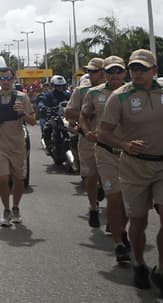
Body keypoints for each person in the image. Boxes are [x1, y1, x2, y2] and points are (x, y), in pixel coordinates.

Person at [97, 49, 163, 302]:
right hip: (134, 167)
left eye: (143, 68)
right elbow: (103, 133)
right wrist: (124, 145)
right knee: (138, 222)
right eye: (134, 68)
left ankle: (161, 270)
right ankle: (139, 263)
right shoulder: (119, 97)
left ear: (155, 70)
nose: (137, 73)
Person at [80, 55, 131, 262]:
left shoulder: (133, 93)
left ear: (124, 73)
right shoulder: (93, 93)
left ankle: (122, 228)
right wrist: (86, 131)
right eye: (110, 71)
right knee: (114, 196)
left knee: (128, 200)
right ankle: (119, 243)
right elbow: (83, 115)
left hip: (130, 153)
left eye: (118, 71)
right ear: (104, 73)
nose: (114, 75)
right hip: (105, 150)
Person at [0, 66, 36, 227]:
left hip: (17, 143)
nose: (6, 82)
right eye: (3, 79)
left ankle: (16, 207)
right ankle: (6, 209)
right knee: (3, 178)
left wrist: (23, 113)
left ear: (14, 80)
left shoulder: (22, 98)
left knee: (19, 178)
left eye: (9, 78)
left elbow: (33, 121)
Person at [65, 57, 106, 227]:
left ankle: (112, 209)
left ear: (104, 72)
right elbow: (69, 113)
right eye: (89, 71)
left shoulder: (119, 89)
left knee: (112, 178)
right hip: (88, 138)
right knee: (90, 175)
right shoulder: (81, 91)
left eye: (94, 71)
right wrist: (87, 116)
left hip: (113, 141)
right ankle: (93, 207)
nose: (90, 74)